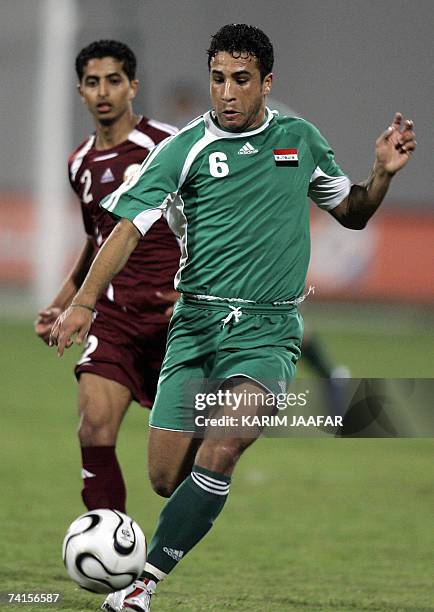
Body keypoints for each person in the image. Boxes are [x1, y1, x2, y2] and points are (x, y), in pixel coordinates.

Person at [49, 24, 416, 612]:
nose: (226, 92)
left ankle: (140, 590)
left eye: (241, 80)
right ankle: (198, 496)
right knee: (167, 480)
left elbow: (350, 211)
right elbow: (126, 230)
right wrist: (84, 302)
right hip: (194, 330)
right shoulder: (183, 149)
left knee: (221, 449)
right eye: (218, 79)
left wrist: (381, 176)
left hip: (267, 332)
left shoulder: (300, 140)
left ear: (267, 83)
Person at [34, 40, 180, 514]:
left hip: (174, 318)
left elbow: (211, 220)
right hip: (115, 318)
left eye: (113, 80)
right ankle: (109, 548)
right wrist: (63, 302)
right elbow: (96, 241)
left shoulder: (168, 144)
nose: (103, 92)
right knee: (93, 426)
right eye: (93, 82)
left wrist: (196, 289)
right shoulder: (79, 163)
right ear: (80, 91)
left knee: (172, 474)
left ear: (132, 87)